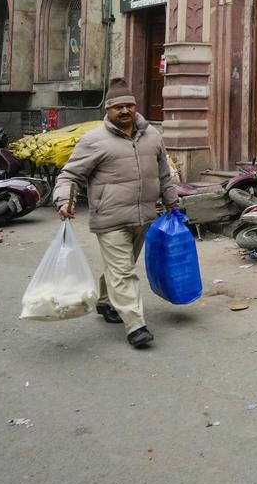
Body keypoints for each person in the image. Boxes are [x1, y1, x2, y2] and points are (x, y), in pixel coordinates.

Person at [53, 77, 179, 348]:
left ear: (135, 107)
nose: (124, 111)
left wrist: (171, 200)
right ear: (107, 110)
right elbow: (69, 175)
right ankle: (136, 326)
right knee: (123, 271)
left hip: (143, 216)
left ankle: (105, 300)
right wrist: (64, 200)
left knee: (122, 266)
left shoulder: (153, 136)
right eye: (117, 107)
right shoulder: (93, 141)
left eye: (128, 106)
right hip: (110, 218)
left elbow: (163, 173)